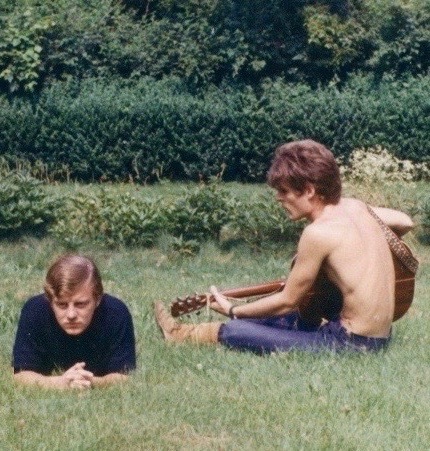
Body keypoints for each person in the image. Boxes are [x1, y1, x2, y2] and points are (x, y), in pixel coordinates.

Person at [154, 139, 416, 353]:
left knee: (236, 329)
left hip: (351, 343)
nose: (279, 198)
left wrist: (233, 310)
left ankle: (182, 335)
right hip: (382, 337)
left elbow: (287, 301)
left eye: (285, 191)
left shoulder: (318, 233)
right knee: (301, 317)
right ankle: (182, 330)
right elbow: (405, 222)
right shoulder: (358, 207)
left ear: (310, 190)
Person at [12, 254, 136, 389]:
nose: (71, 315)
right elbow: (21, 375)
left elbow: (124, 376)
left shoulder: (115, 313)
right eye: (62, 305)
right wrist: (59, 383)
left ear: (98, 299)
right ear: (49, 300)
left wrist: (91, 382)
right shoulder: (35, 311)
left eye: (81, 304)